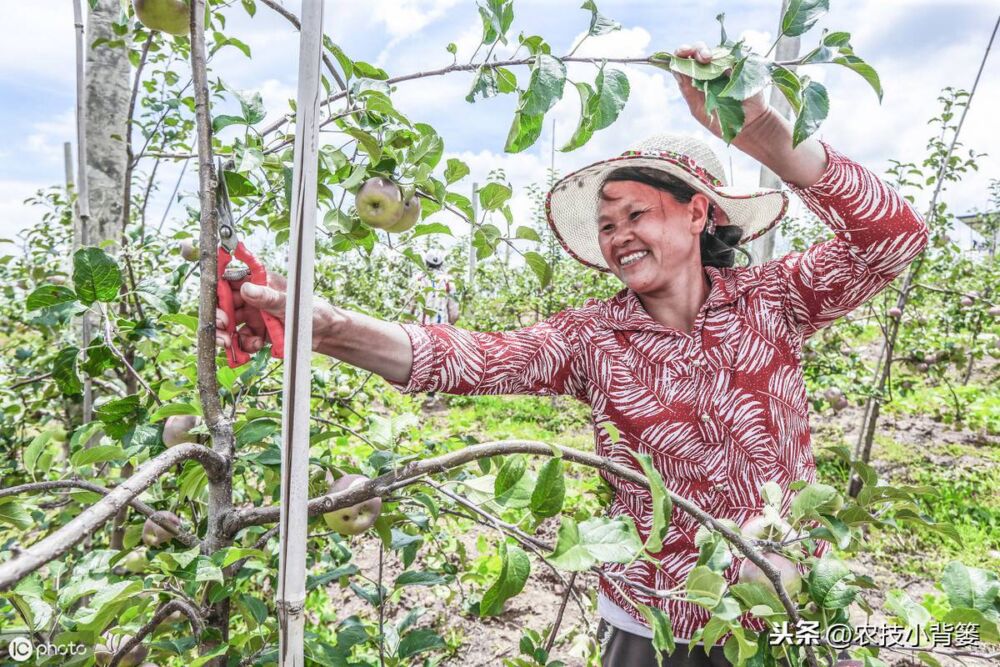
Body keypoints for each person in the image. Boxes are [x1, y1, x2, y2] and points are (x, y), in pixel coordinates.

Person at [215, 42, 928, 666]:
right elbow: (467, 358)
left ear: (698, 210)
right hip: (655, 622)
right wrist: (328, 326)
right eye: (607, 223)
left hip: (785, 604)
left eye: (635, 214)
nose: (617, 236)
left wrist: (768, 134)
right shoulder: (591, 337)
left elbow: (895, 235)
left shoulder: (774, 298)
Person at [408, 250, 459, 325]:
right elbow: (454, 314)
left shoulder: (418, 279)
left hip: (419, 328)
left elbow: (410, 307)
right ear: (441, 264)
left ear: (426, 262)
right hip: (441, 329)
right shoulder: (448, 281)